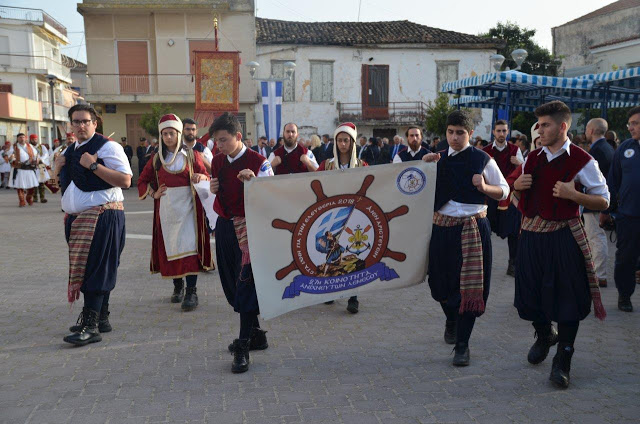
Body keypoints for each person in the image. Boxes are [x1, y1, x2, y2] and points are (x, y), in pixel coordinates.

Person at [511, 101, 608, 388]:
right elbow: (515, 192)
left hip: (563, 236)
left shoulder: (583, 161)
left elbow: (604, 201)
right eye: (538, 125)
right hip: (531, 235)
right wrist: (517, 186)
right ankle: (544, 334)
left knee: (567, 299)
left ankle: (563, 357)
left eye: (545, 124)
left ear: (563, 126)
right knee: (528, 297)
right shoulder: (532, 157)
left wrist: (573, 195)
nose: (539, 130)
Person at [422, 110, 509, 367]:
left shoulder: (482, 159)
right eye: (450, 132)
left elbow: (503, 192)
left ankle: (463, 345)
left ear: (470, 134)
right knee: (439, 286)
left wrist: (483, 188)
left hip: (473, 229)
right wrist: (423, 166)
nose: (455, 137)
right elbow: (412, 187)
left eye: (460, 133)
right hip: (442, 228)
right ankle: (451, 317)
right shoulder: (435, 159)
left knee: (470, 289)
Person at [55, 104, 132, 346]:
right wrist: (56, 169)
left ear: (95, 123)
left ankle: (90, 326)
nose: (80, 125)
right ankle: (102, 319)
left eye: (85, 121)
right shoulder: (71, 149)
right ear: (71, 125)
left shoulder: (108, 147)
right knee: (95, 267)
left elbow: (126, 180)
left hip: (104, 216)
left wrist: (94, 165)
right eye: (76, 122)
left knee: (98, 268)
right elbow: (65, 185)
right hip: (81, 220)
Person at [209, 113, 274, 373]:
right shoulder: (216, 161)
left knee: (246, 284)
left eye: (223, 140)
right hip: (225, 225)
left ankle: (244, 344)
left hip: (250, 228)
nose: (219, 145)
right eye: (216, 141)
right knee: (231, 284)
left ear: (238, 136)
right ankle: (257, 333)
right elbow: (217, 189)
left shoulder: (259, 161)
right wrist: (212, 187)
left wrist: (257, 183)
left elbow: (274, 195)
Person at [138, 114, 213, 311]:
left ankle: (191, 292)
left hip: (188, 208)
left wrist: (200, 175)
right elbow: (142, 180)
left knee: (189, 248)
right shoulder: (156, 159)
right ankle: (177, 287)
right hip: (167, 209)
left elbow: (206, 175)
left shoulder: (192, 155)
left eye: (172, 133)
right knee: (172, 248)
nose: (168, 137)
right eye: (165, 134)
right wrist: (153, 193)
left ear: (179, 134)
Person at [315, 122, 368, 313]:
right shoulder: (326, 165)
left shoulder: (362, 165)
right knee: (331, 250)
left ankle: (353, 296)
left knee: (353, 251)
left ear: (352, 142)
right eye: (339, 140)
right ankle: (331, 291)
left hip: (355, 214)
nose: (343, 144)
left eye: (346, 140)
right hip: (333, 214)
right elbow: (314, 184)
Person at [604, 106, 640, 312]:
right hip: (629, 216)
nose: (631, 127)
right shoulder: (625, 149)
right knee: (626, 257)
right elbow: (613, 181)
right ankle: (624, 295)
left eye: (635, 123)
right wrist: (607, 210)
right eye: (630, 124)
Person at [483, 120, 524, 276]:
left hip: (510, 198)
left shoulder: (515, 150)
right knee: (485, 231)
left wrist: (519, 163)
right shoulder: (486, 150)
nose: (501, 134)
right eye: (498, 131)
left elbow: (526, 170)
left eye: (504, 131)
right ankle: (483, 263)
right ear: (493, 132)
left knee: (514, 232)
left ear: (507, 132)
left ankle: (513, 263)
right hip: (490, 197)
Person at [583, 118, 614, 288]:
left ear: (593, 130)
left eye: (587, 128)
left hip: (594, 202)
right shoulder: (606, 148)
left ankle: (599, 274)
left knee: (595, 237)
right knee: (595, 236)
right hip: (597, 202)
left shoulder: (598, 150)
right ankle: (597, 272)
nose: (585, 132)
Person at [9, 133, 39, 207]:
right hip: (19, 169)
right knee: (20, 186)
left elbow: (36, 155)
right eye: (20, 137)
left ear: (25, 138)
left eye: (23, 137)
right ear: (17, 139)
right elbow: (10, 157)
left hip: (29, 168)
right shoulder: (14, 147)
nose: (22, 139)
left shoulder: (30, 146)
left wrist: (36, 160)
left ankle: (29, 198)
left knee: (31, 186)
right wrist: (13, 159)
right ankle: (22, 201)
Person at [30, 134, 51, 203]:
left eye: (35, 139)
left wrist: (40, 159)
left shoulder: (42, 147)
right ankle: (35, 198)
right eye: (33, 139)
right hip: (32, 166)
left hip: (41, 165)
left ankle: (42, 198)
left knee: (41, 182)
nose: (34, 140)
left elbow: (46, 154)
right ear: (31, 140)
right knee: (33, 182)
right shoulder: (29, 147)